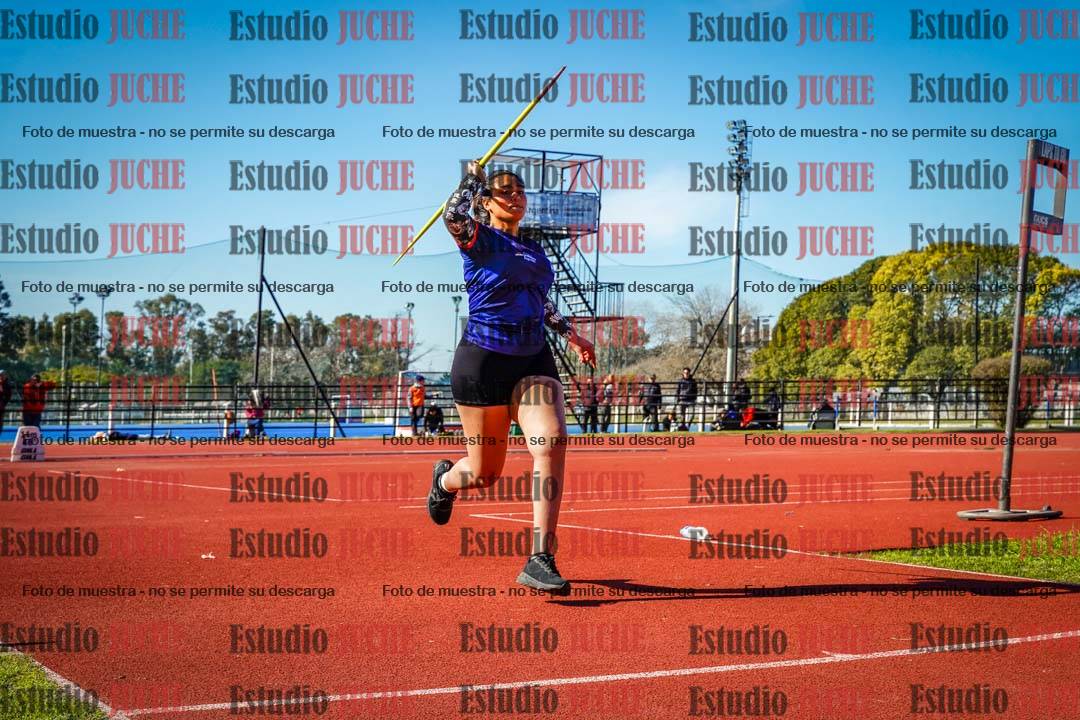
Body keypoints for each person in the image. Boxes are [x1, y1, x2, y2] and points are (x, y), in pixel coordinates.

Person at [425, 160, 596, 594]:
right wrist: (472, 178)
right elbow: (452, 215)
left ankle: (541, 557)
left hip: (532, 357)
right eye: (505, 191)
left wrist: (571, 335)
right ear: (486, 201)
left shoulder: (534, 252)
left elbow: (541, 302)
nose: (516, 196)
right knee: (485, 473)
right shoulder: (478, 239)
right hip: (483, 360)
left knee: (552, 440)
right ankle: (445, 480)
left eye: (520, 191)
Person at [0, 370, 13, 435]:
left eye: (2, 375)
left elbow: (8, 396)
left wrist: (3, 403)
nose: (1, 377)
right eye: (0, 375)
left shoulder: (7, 384)